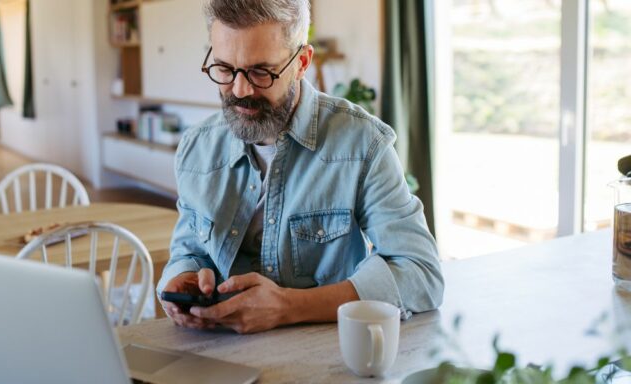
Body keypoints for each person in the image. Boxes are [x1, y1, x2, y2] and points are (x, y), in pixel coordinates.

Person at [157, 0, 443, 334]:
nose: (239, 90)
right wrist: (184, 278)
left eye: (261, 72)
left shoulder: (362, 144)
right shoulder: (196, 148)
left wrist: (289, 307)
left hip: (324, 355)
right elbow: (189, 250)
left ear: (302, 62)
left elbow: (421, 274)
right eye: (224, 69)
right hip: (216, 351)